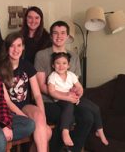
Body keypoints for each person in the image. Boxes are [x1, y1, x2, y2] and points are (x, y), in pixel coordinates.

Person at [34, 20, 95, 152]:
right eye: (55, 33)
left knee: (87, 118)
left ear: (68, 37)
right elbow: (41, 86)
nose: (59, 36)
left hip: (69, 101)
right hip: (48, 101)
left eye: (63, 33)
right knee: (66, 118)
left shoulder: (73, 57)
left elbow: (75, 83)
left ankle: (72, 150)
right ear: (51, 36)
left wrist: (78, 91)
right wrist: (64, 96)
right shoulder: (42, 55)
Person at [0, 32, 51, 152]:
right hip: (6, 109)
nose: (16, 49)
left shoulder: (27, 66)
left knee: (46, 128)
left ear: (23, 47)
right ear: (7, 48)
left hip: (24, 105)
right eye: (12, 46)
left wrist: (43, 120)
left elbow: (37, 95)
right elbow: (7, 101)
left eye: (19, 45)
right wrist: (25, 118)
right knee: (47, 133)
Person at [47, 52, 108, 147]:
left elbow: (80, 88)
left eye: (64, 63)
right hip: (61, 99)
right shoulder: (53, 76)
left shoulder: (71, 75)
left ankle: (100, 131)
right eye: (57, 63)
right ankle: (65, 131)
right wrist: (67, 97)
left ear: (68, 65)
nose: (61, 66)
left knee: (95, 108)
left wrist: (78, 93)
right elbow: (52, 92)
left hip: (74, 98)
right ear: (53, 65)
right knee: (68, 107)